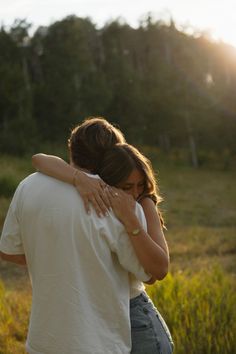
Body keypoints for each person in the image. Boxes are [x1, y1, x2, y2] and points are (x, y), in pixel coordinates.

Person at [0, 117, 153, 354]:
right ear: (111, 157)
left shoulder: (27, 186)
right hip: (99, 344)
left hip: (44, 342)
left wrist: (56, 254)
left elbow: (9, 252)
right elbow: (147, 272)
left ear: (72, 148)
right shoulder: (116, 202)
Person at [32, 141, 174, 353]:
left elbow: (158, 271)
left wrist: (130, 221)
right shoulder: (99, 194)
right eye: (127, 186)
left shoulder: (144, 205)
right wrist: (78, 178)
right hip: (100, 317)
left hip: (138, 323)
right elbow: (39, 159)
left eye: (140, 185)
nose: (135, 193)